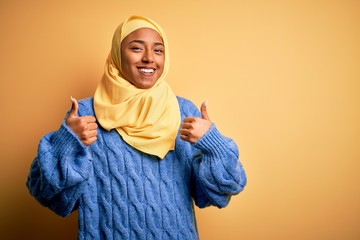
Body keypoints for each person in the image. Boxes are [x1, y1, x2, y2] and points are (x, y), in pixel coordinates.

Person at [26, 15, 247, 240]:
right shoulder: (85, 115)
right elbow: (46, 194)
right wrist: (67, 142)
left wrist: (213, 144)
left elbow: (220, 192)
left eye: (158, 50)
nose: (149, 58)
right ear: (117, 54)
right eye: (136, 48)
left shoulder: (182, 111)